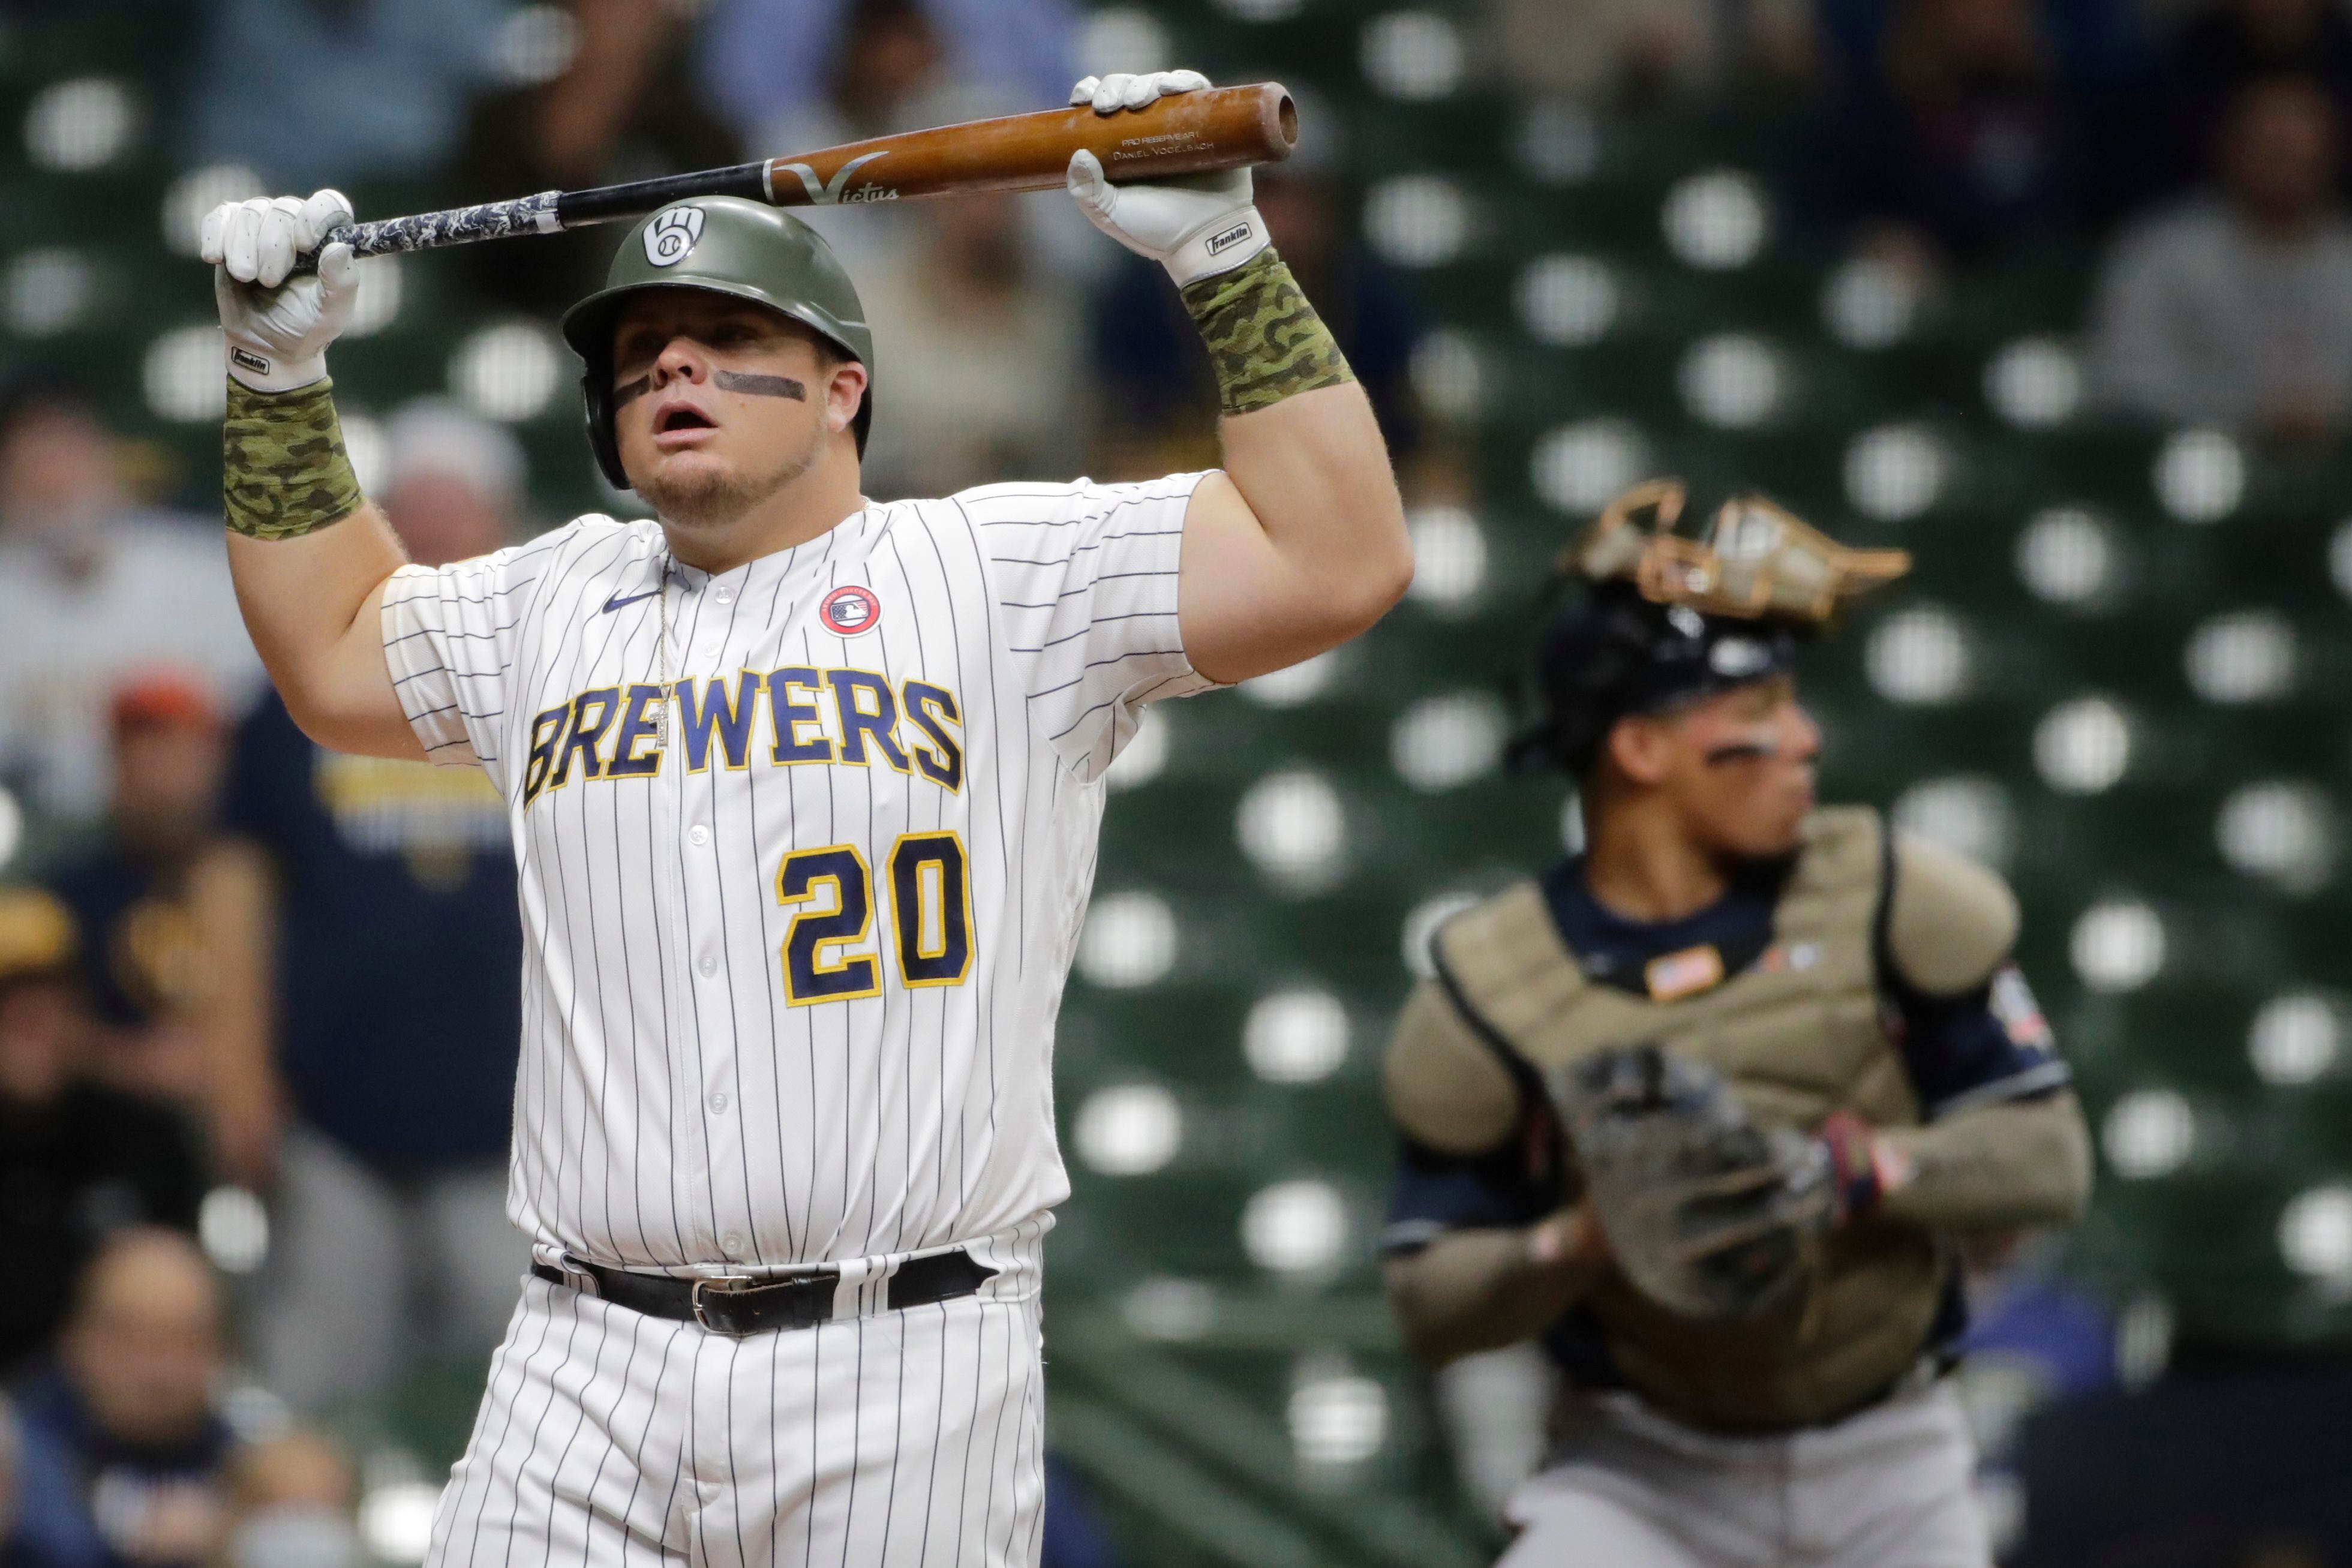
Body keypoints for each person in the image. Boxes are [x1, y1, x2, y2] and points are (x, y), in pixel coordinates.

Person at [200, 62, 1408, 1567]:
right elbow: (326, 651)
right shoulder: (552, 599)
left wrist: (1224, 261)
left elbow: (1339, 551)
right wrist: (273, 381)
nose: (673, 370)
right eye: (640, 355)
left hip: (901, 1348)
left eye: (725, 338)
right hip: (583, 1348)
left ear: (845, 383)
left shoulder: (1003, 568)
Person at [1379, 481, 2092, 1567]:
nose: (1803, 740)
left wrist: (1848, 1168)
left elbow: (2048, 1159)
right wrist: (1574, 1240)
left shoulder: (1895, 892)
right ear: (1642, 751)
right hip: (1639, 1466)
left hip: (1890, 1453)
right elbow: (1430, 1300)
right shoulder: (1494, 983)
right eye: (1756, 717)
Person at [201, 402, 528, 1412]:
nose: (429, 532)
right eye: (408, 510)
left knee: (548, 1402)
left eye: (452, 509)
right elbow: (233, 890)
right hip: (332, 1119)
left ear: (503, 526)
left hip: (528, 1127)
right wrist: (237, 1070)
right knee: (313, 1392)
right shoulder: (300, 692)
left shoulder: (564, 678)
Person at [0, 391, 257, 822]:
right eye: (31, 469)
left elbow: (257, 713)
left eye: (65, 459)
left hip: (209, 818)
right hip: (51, 840)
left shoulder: (202, 567)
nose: (54, 484)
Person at [0, 888, 205, 1376]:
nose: (34, 1019)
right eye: (11, 1000)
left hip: (119, 1408)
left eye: (52, 995)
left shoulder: (142, 1138)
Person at [2087, 74, 2352, 438]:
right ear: (2229, 149)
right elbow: (2119, 378)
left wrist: (2325, 412)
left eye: (2298, 152)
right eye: (2271, 151)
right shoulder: (2162, 252)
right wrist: (2252, 412)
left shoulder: (2344, 257)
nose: (2284, 169)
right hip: (2186, 467)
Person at [444, 0, 743, 320]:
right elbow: (473, 265)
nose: (619, 18)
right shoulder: (498, 122)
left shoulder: (705, 146)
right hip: (507, 333)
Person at [43, 675, 233, 1109]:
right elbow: (36, 1031)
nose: (155, 772)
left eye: (172, 748)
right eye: (135, 750)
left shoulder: (270, 882)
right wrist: (129, 1060)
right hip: (119, 1138)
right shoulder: (72, 896)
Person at [5, 1231, 238, 1568]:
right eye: (132, 1340)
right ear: (75, 1342)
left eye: (188, 1342)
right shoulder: (16, 1454)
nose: (160, 1373)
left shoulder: (238, 1460)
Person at [185, 0, 507, 187]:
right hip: (262, 202)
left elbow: (502, 92)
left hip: (411, 205)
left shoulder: (451, 14)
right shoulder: (247, 17)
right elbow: (217, 151)